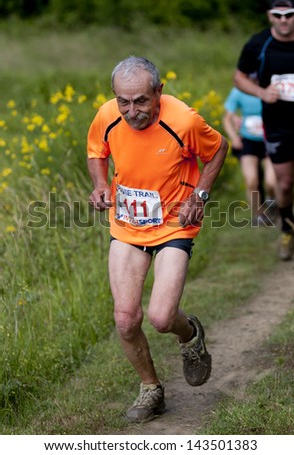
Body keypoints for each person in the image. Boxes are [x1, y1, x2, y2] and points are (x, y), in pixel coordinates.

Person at [87, 56, 228, 422]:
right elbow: (96, 151)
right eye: (124, 102)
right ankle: (151, 389)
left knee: (162, 317)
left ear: (158, 92)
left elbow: (218, 151)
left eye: (141, 101)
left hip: (173, 226)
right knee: (125, 318)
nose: (132, 111)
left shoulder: (184, 121)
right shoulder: (107, 115)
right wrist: (101, 184)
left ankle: (190, 334)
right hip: (127, 226)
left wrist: (200, 195)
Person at [234, 0, 294, 260]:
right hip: (276, 124)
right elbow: (239, 78)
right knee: (284, 185)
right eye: (278, 15)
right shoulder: (258, 44)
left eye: (289, 14)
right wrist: (262, 93)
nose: (283, 20)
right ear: (270, 16)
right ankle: (286, 225)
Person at [223, 84, 277, 225]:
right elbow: (227, 117)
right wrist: (234, 137)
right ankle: (258, 215)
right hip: (248, 142)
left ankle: (272, 202)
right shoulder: (239, 91)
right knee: (251, 180)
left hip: (270, 139)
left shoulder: (271, 87)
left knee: (271, 181)